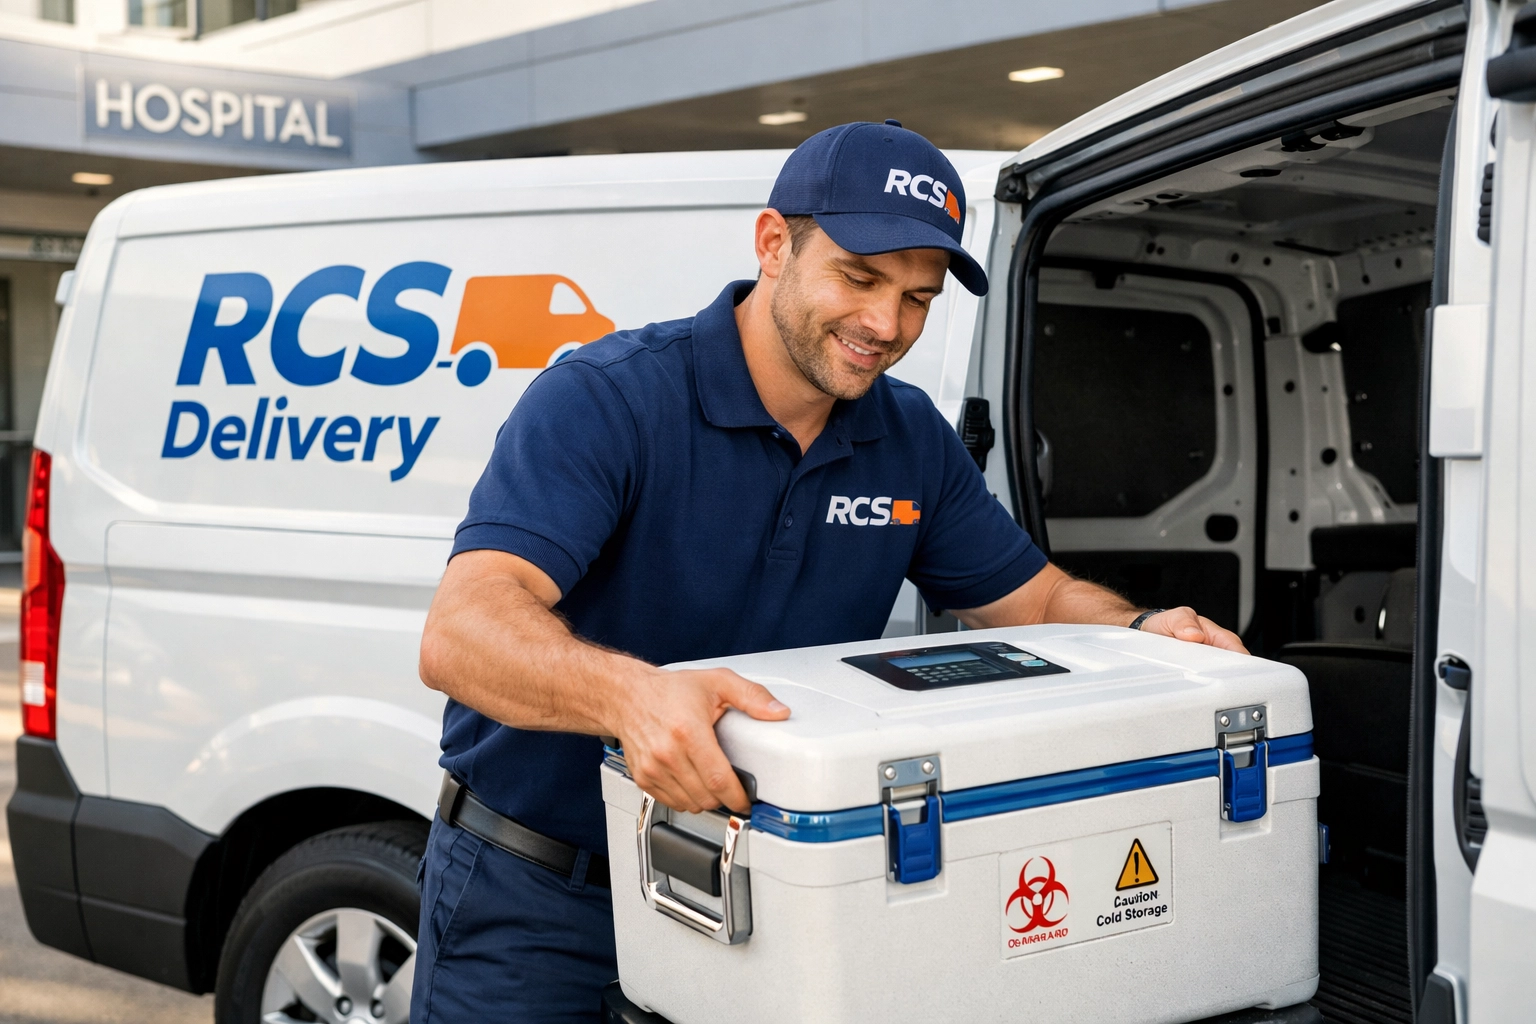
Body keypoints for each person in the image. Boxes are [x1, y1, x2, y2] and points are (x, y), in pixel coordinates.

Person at [411, 120, 1246, 1022]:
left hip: (778, 900)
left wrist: (1136, 633)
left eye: (918, 298)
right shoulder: (609, 399)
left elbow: (1035, 596)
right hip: (545, 895)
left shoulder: (908, 435)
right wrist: (632, 699)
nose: (886, 326)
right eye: (859, 278)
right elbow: (464, 631)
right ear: (774, 244)